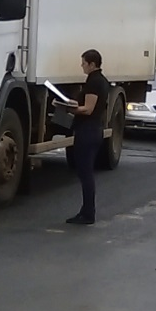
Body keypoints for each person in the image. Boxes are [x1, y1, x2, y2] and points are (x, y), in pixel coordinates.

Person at [66, 49, 110, 225]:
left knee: (85, 174)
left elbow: (88, 108)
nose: (82, 66)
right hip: (95, 129)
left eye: (84, 63)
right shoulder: (103, 81)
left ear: (92, 64)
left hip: (87, 131)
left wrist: (70, 109)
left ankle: (88, 212)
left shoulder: (94, 82)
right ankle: (86, 211)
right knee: (86, 173)